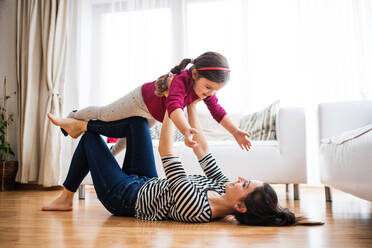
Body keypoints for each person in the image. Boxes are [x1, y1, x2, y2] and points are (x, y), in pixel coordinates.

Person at [43, 103, 308, 226]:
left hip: (123, 197)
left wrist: (172, 105)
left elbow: (166, 150)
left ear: (240, 205)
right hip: (147, 181)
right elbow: (203, 149)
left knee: (90, 139)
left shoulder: (196, 207)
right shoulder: (221, 186)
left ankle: (67, 194)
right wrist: (191, 104)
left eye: (245, 184)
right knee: (137, 122)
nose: (239, 178)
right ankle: (81, 126)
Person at [62, 51, 251, 156]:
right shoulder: (181, 80)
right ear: (194, 74)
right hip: (140, 100)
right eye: (208, 87)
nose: (210, 93)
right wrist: (185, 129)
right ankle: (74, 115)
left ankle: (111, 155)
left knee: (129, 139)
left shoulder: (205, 91)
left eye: (215, 90)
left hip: (153, 113)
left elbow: (218, 111)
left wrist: (235, 132)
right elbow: (175, 107)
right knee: (104, 115)